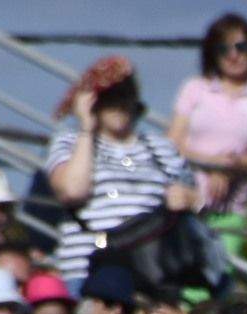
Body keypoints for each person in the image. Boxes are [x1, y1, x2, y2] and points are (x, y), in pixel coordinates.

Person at [45, 57, 196, 289]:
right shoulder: (70, 143)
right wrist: (86, 128)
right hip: (88, 273)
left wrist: (190, 199)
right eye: (109, 98)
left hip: (151, 272)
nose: (119, 105)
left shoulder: (161, 147)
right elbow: (72, 191)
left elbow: (195, 203)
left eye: (125, 96)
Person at [169, 14, 247, 216]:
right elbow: (173, 143)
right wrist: (216, 163)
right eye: (224, 49)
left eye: (241, 47)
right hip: (182, 203)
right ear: (213, 54)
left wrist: (233, 166)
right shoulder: (195, 88)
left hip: (230, 209)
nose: (233, 55)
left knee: (224, 248)